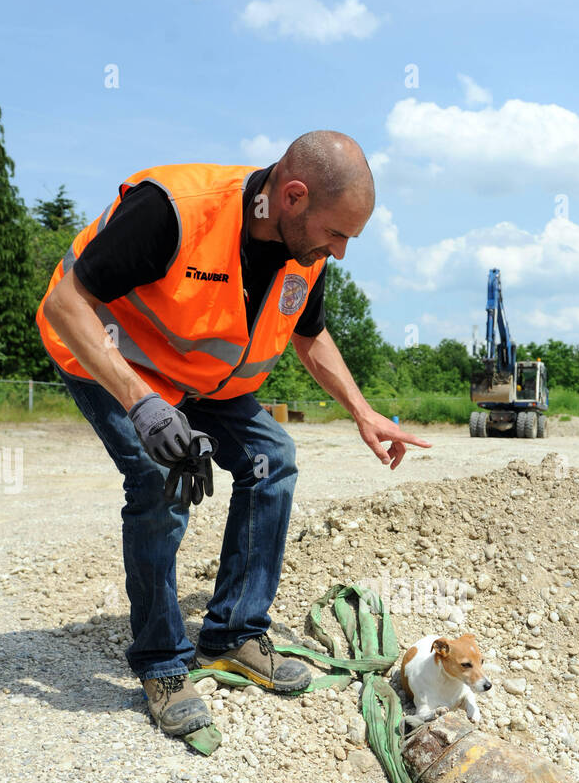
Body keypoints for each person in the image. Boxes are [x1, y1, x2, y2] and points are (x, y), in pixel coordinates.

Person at [37, 132, 431, 738]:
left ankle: (232, 634)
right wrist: (143, 405)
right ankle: (163, 663)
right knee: (158, 478)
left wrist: (360, 408)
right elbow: (67, 303)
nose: (343, 251)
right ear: (293, 196)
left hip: (199, 378)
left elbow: (308, 333)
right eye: (339, 233)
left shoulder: (306, 250)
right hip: (110, 358)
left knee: (274, 457)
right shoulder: (173, 210)